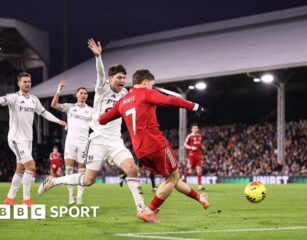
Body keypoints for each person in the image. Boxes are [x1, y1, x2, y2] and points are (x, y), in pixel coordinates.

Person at [38, 39, 146, 216]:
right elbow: (100, 74)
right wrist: (98, 57)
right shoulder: (102, 88)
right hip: (98, 140)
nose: (122, 81)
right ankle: (54, 181)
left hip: (115, 141)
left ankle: (141, 209)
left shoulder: (125, 93)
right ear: (111, 79)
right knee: (88, 180)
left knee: (133, 169)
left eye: (124, 78)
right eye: (119, 77)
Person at [99, 69, 210, 223]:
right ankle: (149, 211)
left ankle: (200, 197)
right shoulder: (146, 93)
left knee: (172, 178)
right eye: (152, 84)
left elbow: (102, 119)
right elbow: (170, 100)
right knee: (172, 177)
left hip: (139, 150)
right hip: (156, 144)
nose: (152, 87)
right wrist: (195, 106)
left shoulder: (122, 102)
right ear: (145, 82)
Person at [1, 72, 67, 207]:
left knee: (20, 168)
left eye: (29, 82)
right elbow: (2, 100)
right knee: (31, 166)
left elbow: (44, 112)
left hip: (28, 139)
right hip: (16, 138)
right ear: (18, 83)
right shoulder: (14, 98)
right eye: (24, 82)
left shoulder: (33, 99)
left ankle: (9, 198)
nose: (27, 84)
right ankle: (26, 200)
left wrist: (58, 121)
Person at [51, 81, 93, 204]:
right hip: (71, 141)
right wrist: (59, 90)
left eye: (85, 93)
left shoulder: (91, 110)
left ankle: (79, 197)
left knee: (82, 170)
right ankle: (71, 195)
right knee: (68, 169)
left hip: (84, 143)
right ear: (76, 95)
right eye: (81, 93)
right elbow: (54, 105)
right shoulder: (70, 107)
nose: (84, 95)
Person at [182, 123, 205, 190]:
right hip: (191, 155)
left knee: (199, 170)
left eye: (196, 128)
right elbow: (185, 144)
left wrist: (202, 147)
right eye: (194, 128)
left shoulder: (199, 136)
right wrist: (191, 147)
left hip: (198, 155)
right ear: (192, 129)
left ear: (198, 129)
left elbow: (200, 145)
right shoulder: (189, 136)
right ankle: (183, 177)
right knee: (190, 171)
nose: (195, 129)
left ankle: (200, 185)